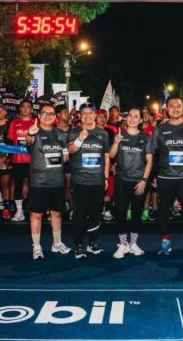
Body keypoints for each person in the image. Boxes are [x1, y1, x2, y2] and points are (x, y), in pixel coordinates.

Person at [153, 96, 183, 255]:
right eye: (172, 106)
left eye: (178, 106)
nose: (175, 109)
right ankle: (165, 241)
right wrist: (154, 175)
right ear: (167, 109)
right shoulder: (160, 129)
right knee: (163, 210)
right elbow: (155, 153)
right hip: (165, 177)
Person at [25, 104, 71, 259]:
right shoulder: (35, 131)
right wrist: (29, 133)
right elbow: (29, 140)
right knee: (36, 215)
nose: (48, 116)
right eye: (44, 113)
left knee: (56, 214)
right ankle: (37, 247)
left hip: (57, 180)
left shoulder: (61, 134)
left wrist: (58, 159)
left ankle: (57, 243)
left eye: (51, 113)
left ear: (55, 116)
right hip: (39, 182)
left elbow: (65, 155)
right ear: (39, 116)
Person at [109, 107, 154, 258]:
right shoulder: (119, 135)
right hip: (122, 180)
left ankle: (133, 243)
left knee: (136, 213)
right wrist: (116, 143)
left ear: (140, 120)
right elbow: (111, 155)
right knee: (121, 212)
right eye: (130, 115)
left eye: (136, 116)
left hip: (139, 181)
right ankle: (123, 244)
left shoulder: (145, 137)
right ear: (126, 118)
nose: (132, 118)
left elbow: (150, 160)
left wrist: (144, 181)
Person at [68, 103, 110, 259]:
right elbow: (71, 149)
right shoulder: (74, 132)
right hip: (79, 180)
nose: (87, 116)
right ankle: (78, 245)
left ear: (95, 115)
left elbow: (106, 156)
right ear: (80, 115)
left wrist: (106, 177)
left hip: (97, 180)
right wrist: (80, 139)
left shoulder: (103, 133)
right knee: (79, 214)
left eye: (90, 113)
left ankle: (92, 243)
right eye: (84, 113)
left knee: (95, 214)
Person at [7, 100, 36, 221]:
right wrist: (8, 158)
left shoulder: (36, 122)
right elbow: (10, 141)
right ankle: (19, 212)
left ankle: (35, 211)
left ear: (32, 109)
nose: (25, 109)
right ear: (20, 108)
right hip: (18, 160)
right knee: (18, 185)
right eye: (23, 107)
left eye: (28, 107)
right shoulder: (14, 123)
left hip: (33, 161)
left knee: (35, 186)